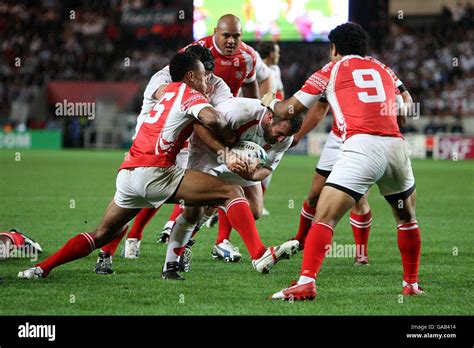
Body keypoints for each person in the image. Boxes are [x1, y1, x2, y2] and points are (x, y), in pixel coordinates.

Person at [18, 52, 297, 280]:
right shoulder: (190, 94)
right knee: (230, 193)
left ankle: (41, 268)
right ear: (191, 76)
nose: (207, 80)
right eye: (203, 75)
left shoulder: (162, 92)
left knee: (102, 233)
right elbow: (213, 120)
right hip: (156, 171)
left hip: (128, 172)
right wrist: (229, 143)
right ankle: (259, 254)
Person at [261, 22, 423, 300]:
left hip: (361, 146)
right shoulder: (384, 68)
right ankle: (411, 284)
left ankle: (306, 283)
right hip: (397, 147)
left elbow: (292, 109)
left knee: (324, 216)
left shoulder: (331, 69)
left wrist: (270, 102)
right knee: (407, 219)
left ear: (334, 48)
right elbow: (407, 108)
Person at [164, 97, 303, 273]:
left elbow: (267, 169)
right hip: (209, 152)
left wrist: (252, 174)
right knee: (194, 211)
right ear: (269, 117)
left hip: (241, 157)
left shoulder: (285, 138)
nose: (282, 139)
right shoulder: (239, 112)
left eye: (287, 136)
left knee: (254, 210)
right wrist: (226, 154)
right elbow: (198, 126)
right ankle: (182, 247)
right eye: (280, 132)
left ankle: (217, 205)